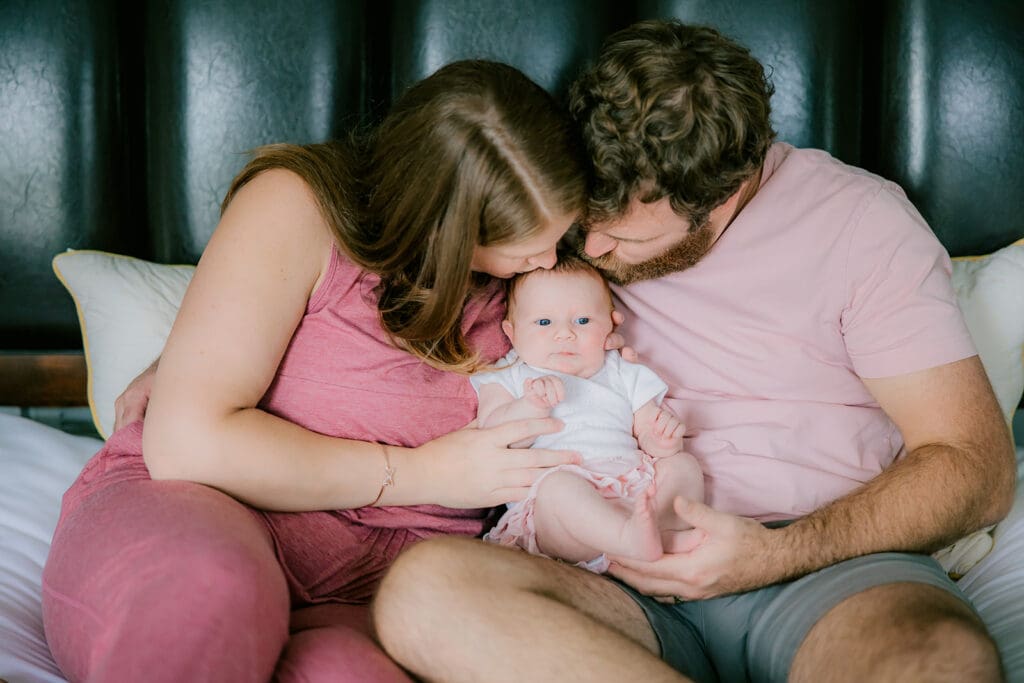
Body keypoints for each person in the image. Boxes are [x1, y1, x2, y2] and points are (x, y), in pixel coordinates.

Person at [371, 20, 1017, 683]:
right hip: (610, 563)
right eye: (588, 221)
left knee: (940, 663)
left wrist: (777, 553)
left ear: (723, 196)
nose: (587, 250)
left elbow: (978, 466)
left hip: (815, 568)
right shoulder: (568, 211)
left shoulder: (862, 225)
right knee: (423, 593)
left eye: (622, 238)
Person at [41, 60, 598, 682]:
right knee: (210, 594)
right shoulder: (298, 206)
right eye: (522, 247)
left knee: (346, 676)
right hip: (206, 510)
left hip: (383, 586)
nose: (547, 260)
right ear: (443, 229)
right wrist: (422, 472)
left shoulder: (547, 286)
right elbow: (187, 448)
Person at [472, 254, 704, 572]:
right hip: (561, 516)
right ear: (511, 333)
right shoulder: (509, 375)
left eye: (582, 321)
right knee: (560, 488)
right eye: (544, 322)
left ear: (610, 324)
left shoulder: (622, 370)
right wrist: (530, 406)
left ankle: (654, 533)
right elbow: (493, 437)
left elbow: (647, 429)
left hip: (632, 493)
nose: (565, 333)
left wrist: (662, 439)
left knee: (683, 465)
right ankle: (630, 541)